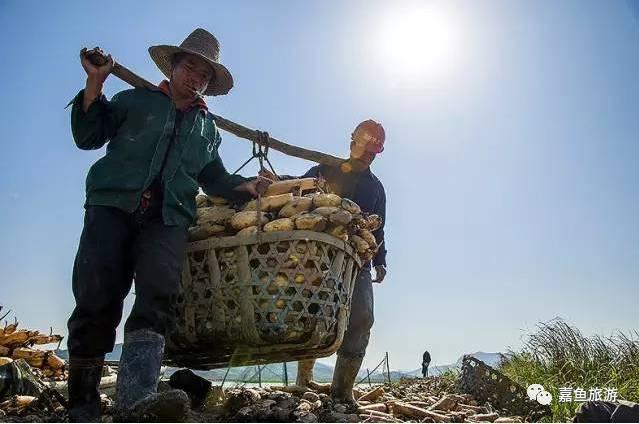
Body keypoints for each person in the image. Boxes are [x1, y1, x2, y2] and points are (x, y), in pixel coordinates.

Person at [65, 28, 267, 422]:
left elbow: (215, 180)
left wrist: (247, 186)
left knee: (158, 295)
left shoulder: (206, 130)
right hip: (112, 207)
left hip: (168, 218)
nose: (195, 78)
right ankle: (82, 404)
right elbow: (87, 135)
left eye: (204, 76)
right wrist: (95, 80)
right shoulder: (134, 100)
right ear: (173, 66)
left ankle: (135, 399)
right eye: (190, 67)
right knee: (96, 296)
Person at [287, 120, 388, 404]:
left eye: (374, 150)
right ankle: (303, 378)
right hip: (318, 255)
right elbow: (296, 190)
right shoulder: (325, 169)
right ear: (352, 140)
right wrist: (273, 180)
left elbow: (379, 229)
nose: (368, 153)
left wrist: (381, 259)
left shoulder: (376, 188)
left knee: (362, 317)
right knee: (312, 312)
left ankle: (342, 391)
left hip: (358, 260)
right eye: (365, 145)